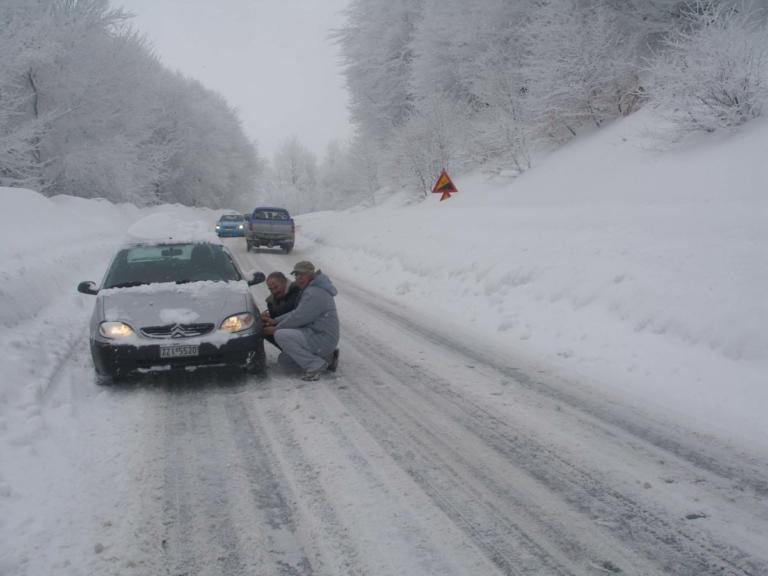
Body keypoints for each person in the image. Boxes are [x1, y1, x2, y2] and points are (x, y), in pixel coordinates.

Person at [262, 261, 339, 381]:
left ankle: (315, 364)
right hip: (315, 334)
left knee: (281, 335)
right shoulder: (311, 289)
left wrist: (276, 329)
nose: (298, 278)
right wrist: (275, 320)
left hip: (322, 337)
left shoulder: (315, 292)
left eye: (302, 275)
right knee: (284, 362)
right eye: (296, 275)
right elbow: (298, 312)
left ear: (311, 274)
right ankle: (327, 358)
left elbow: (299, 317)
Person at [261, 271, 301, 349]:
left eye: (276, 287)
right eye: (271, 289)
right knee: (262, 328)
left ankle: (293, 352)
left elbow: (287, 311)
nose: (274, 291)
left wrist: (271, 320)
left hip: (304, 332)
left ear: (284, 283)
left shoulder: (297, 291)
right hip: (292, 329)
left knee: (268, 330)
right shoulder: (274, 299)